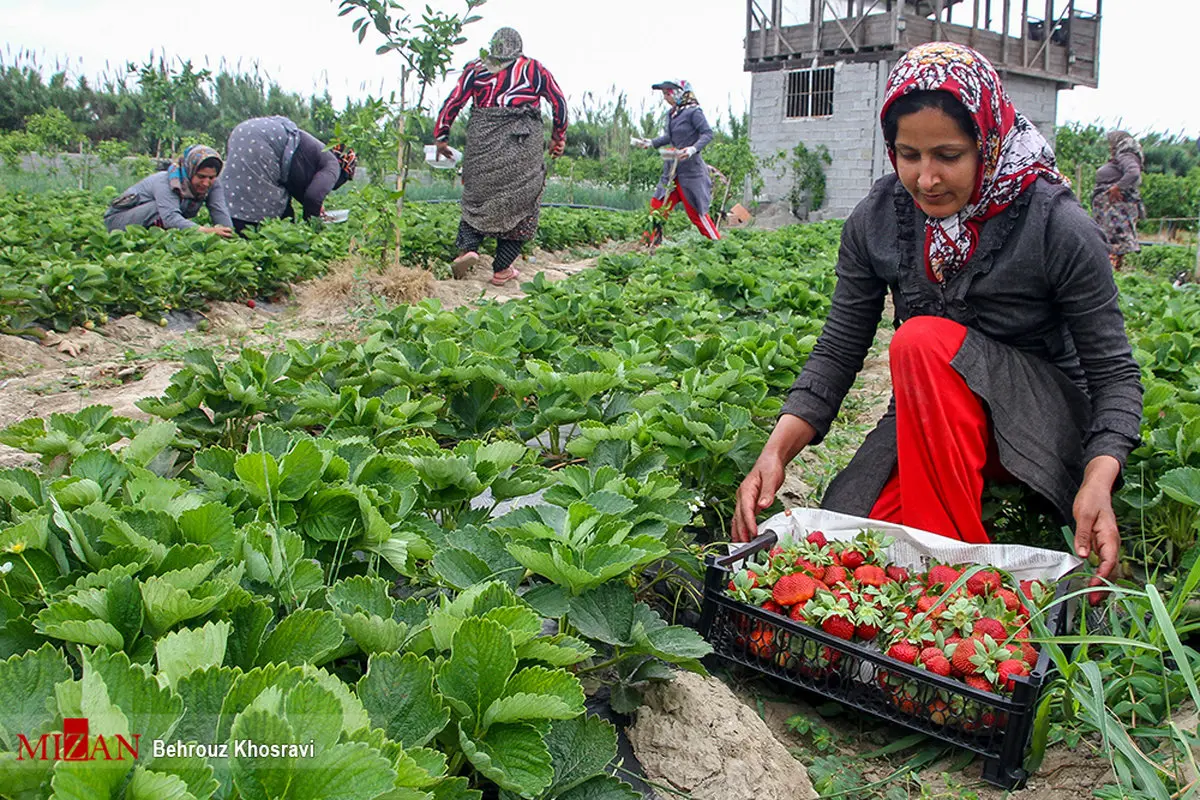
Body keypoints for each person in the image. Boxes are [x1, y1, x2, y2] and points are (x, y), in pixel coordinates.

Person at [730, 42, 1144, 599]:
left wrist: (1099, 477)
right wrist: (775, 453)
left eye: (948, 156)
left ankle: (956, 592)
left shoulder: (1056, 224)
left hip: (1038, 420)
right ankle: (942, 597)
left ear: (986, 141)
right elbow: (838, 349)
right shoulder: (878, 220)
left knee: (921, 340)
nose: (926, 179)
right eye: (909, 155)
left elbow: (1115, 376)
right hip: (932, 416)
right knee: (845, 545)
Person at [432, 27, 567, 286]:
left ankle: (468, 250)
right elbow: (559, 102)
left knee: (477, 198)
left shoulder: (476, 68)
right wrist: (557, 137)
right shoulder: (534, 70)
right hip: (522, 145)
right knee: (523, 199)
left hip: (484, 145)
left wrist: (442, 137)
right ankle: (502, 267)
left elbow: (453, 101)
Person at [220, 116, 356, 234]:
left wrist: (312, 206)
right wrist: (313, 229)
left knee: (241, 188)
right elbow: (313, 197)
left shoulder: (320, 152)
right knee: (271, 207)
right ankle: (249, 237)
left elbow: (296, 178)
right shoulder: (333, 165)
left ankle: (231, 227)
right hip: (263, 140)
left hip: (243, 131)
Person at [633, 79, 720, 245]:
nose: (666, 97)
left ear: (681, 92)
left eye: (668, 93)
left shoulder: (694, 112)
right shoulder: (672, 114)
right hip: (672, 171)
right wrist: (650, 143)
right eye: (664, 94)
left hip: (691, 172)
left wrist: (692, 149)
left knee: (697, 214)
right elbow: (669, 138)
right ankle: (650, 244)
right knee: (658, 207)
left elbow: (707, 134)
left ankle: (718, 245)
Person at [104, 144, 233, 236]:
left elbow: (220, 211)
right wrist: (207, 231)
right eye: (201, 176)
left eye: (211, 177)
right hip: (118, 222)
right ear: (190, 171)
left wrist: (230, 235)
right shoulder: (168, 181)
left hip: (153, 220)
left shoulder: (213, 183)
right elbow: (170, 218)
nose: (206, 183)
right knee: (159, 208)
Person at [1091, 130, 1145, 270]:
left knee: (1113, 241)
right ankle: (1113, 272)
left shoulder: (1126, 153)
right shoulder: (1123, 155)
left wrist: (1117, 188)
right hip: (1111, 208)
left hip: (1115, 208)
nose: (1110, 146)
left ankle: (1110, 273)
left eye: (1111, 142)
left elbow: (1133, 172)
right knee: (1111, 241)